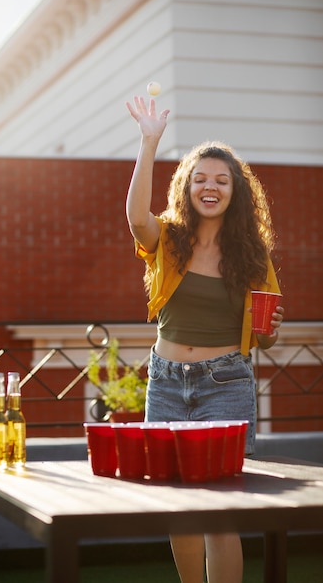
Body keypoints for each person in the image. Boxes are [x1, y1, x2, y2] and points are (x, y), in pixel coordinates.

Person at [125, 95, 284, 583]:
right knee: (180, 510)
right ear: (186, 187)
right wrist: (149, 142)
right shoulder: (169, 240)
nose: (210, 187)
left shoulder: (253, 256)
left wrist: (272, 332)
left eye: (221, 180)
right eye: (200, 179)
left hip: (226, 383)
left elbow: (266, 337)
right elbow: (136, 219)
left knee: (220, 512)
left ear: (236, 191)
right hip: (167, 383)